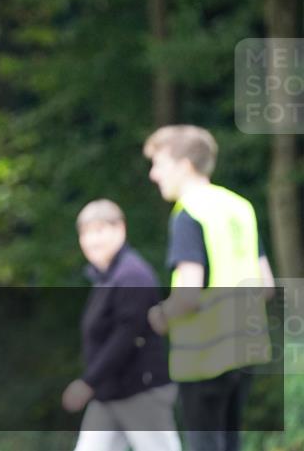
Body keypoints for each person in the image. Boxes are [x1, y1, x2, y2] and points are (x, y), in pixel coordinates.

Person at [143, 125, 275, 451]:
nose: (153, 174)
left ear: (185, 164)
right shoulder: (239, 207)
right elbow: (267, 286)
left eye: (159, 164)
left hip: (204, 355)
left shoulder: (189, 213)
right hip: (245, 348)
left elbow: (188, 293)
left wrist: (160, 316)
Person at [62, 199, 180, 451]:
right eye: (85, 233)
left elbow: (126, 337)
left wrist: (87, 382)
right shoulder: (107, 277)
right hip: (108, 393)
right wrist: (95, 383)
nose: (92, 240)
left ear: (120, 229)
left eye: (99, 230)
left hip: (140, 392)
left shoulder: (133, 275)